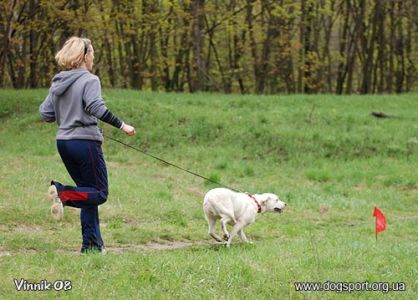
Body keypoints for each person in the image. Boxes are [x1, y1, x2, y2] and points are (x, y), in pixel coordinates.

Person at [39, 36, 136, 253]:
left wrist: (67, 112)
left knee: (87, 193)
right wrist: (123, 126)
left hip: (64, 143)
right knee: (99, 193)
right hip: (85, 144)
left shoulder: (58, 81)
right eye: (92, 54)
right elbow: (96, 107)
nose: (93, 58)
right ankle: (62, 194)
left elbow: (45, 114)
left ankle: (91, 247)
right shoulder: (90, 80)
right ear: (84, 56)